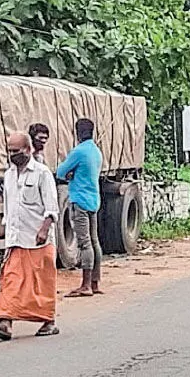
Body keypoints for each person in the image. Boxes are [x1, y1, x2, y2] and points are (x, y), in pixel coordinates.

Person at [0, 132, 60, 340]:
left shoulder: (42, 173)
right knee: (10, 280)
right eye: (9, 151)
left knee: (41, 284)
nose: (12, 155)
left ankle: (48, 322)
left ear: (28, 150)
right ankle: (4, 323)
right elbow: (9, 209)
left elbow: (52, 207)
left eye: (16, 151)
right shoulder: (8, 175)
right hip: (16, 241)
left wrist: (44, 229)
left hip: (37, 241)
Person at [57, 119, 104, 297]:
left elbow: (61, 172)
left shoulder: (79, 151)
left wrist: (70, 174)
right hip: (93, 200)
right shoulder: (96, 151)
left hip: (80, 200)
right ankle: (95, 282)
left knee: (84, 243)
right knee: (94, 241)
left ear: (77, 132)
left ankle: (85, 285)